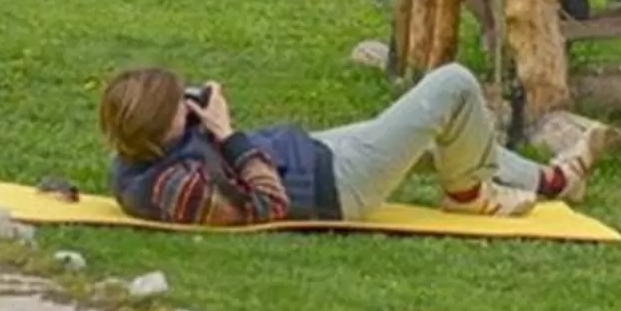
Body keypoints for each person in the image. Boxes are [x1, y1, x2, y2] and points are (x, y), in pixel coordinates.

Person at [97, 62, 593, 224]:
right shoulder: (176, 188)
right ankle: (467, 195)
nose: (187, 109)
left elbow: (211, 166)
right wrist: (226, 133)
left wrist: (202, 124)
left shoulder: (144, 155)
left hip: (312, 158)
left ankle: (554, 180)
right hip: (334, 185)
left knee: (437, 138)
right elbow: (268, 204)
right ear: (160, 127)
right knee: (454, 85)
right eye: (178, 108)